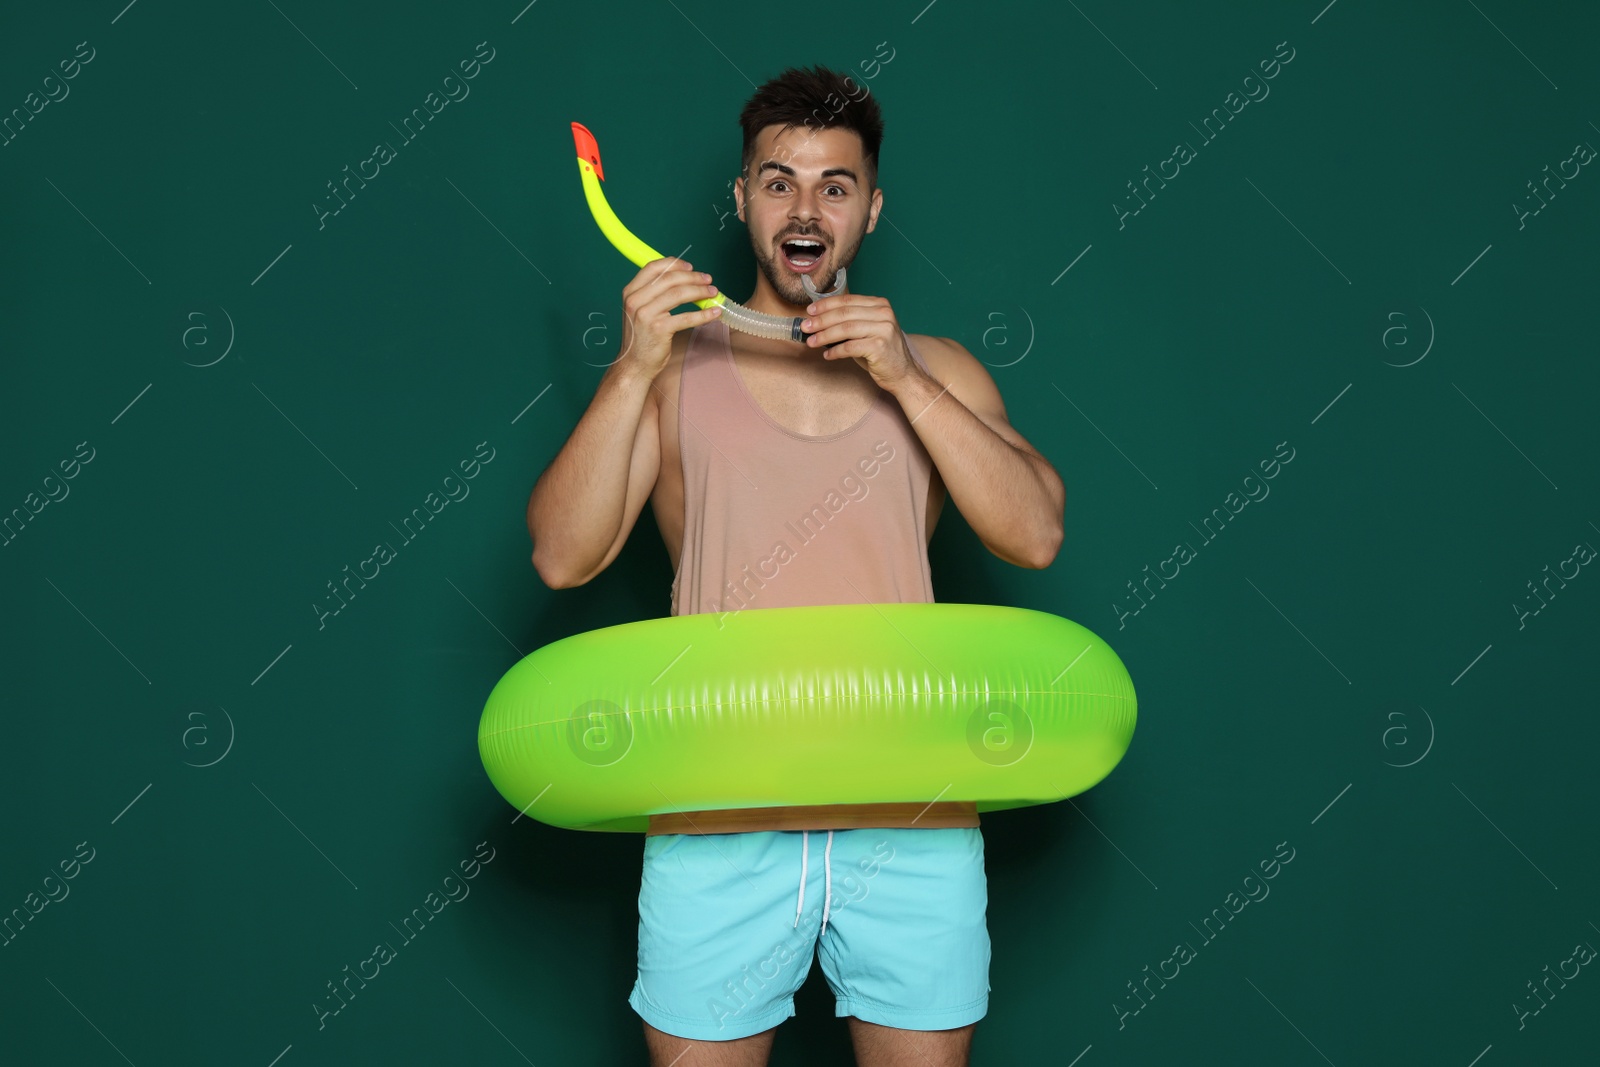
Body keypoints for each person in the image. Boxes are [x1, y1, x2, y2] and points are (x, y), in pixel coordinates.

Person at [527, 64, 1065, 1067]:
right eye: (777, 181)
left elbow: (1033, 535)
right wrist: (633, 362)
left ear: (869, 209)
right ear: (739, 201)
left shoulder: (937, 366)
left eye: (834, 184)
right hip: (717, 811)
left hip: (909, 810)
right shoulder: (671, 369)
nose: (804, 206)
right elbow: (563, 556)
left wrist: (904, 377)